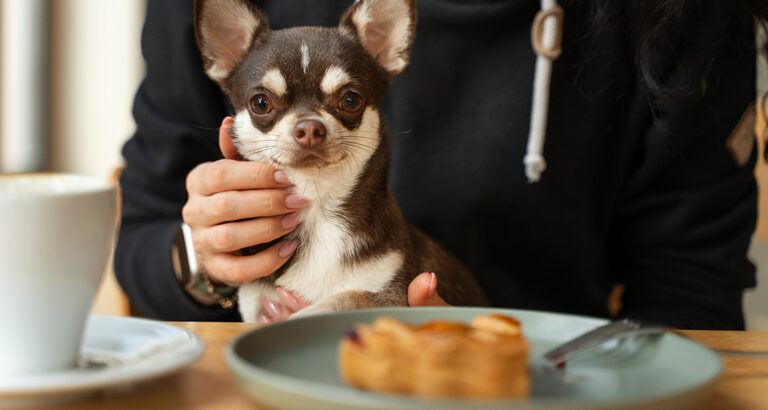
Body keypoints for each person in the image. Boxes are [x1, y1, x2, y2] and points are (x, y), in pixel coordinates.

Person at [115, 0, 768, 329]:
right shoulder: (220, 24)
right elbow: (141, 235)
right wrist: (207, 263)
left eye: (345, 100)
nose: (308, 129)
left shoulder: (682, 14)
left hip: (547, 378)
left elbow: (689, 289)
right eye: (265, 105)